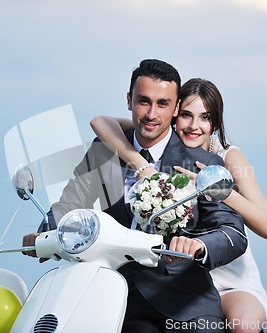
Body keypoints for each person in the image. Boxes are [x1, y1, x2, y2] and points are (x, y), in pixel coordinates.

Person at [23, 59, 248, 332]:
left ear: (176, 108)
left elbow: (232, 232)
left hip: (185, 303)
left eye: (163, 104)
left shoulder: (202, 162)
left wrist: (199, 247)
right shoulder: (102, 152)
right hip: (115, 296)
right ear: (129, 101)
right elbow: (70, 204)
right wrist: (45, 233)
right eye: (144, 101)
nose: (152, 113)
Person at [89, 78, 267, 333]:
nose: (194, 126)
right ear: (175, 113)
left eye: (205, 118)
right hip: (181, 274)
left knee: (243, 325)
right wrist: (139, 163)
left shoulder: (227, 156)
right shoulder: (162, 143)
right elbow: (100, 122)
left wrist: (214, 187)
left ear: (215, 123)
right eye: (187, 115)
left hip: (227, 272)